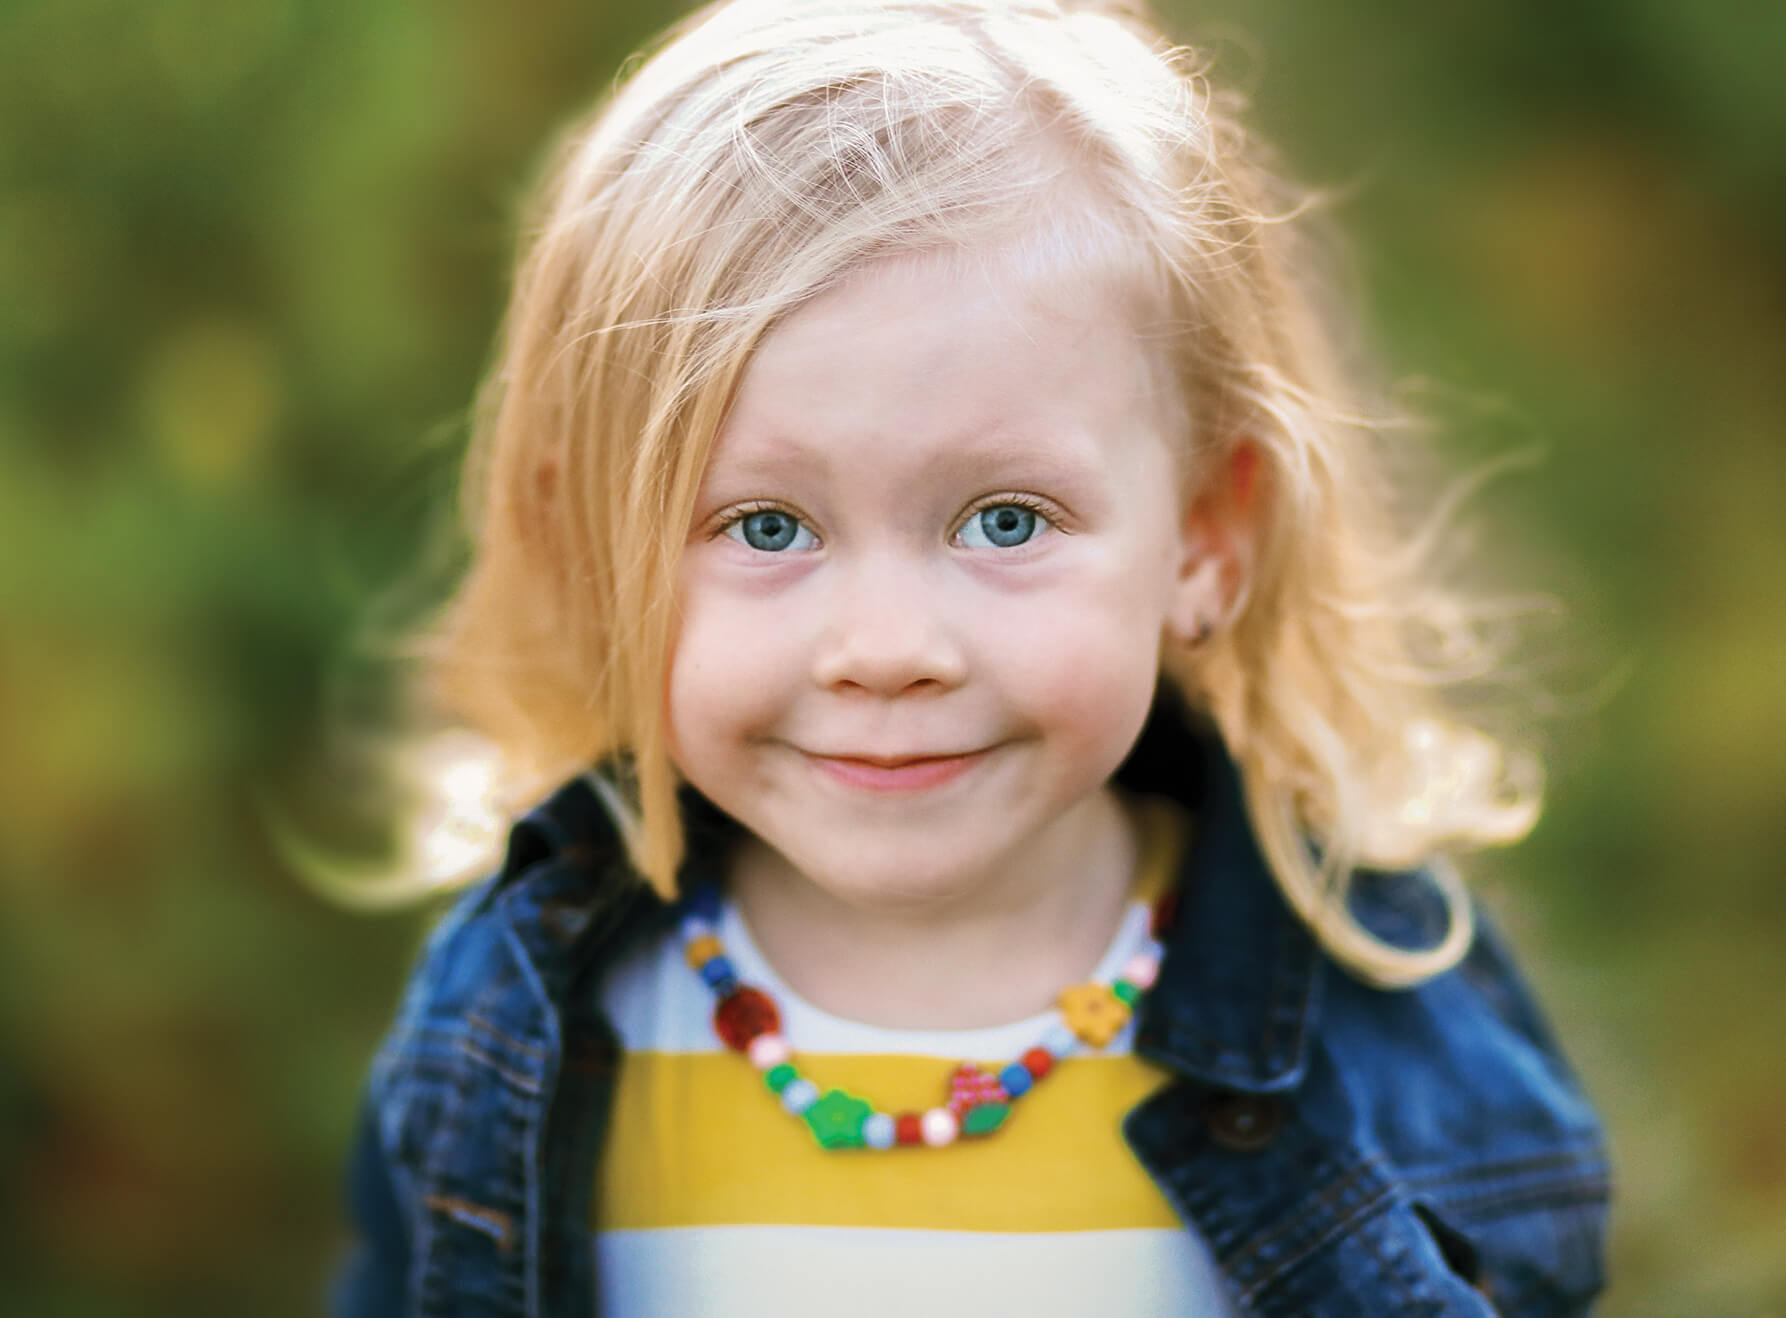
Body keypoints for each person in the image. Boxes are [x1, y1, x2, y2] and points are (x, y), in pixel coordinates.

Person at [333, 0, 1611, 1312]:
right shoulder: (517, 1021)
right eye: (764, 525)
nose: (887, 651)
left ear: (1203, 536)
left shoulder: (1384, 1021)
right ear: (591, 549)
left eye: (1004, 519)